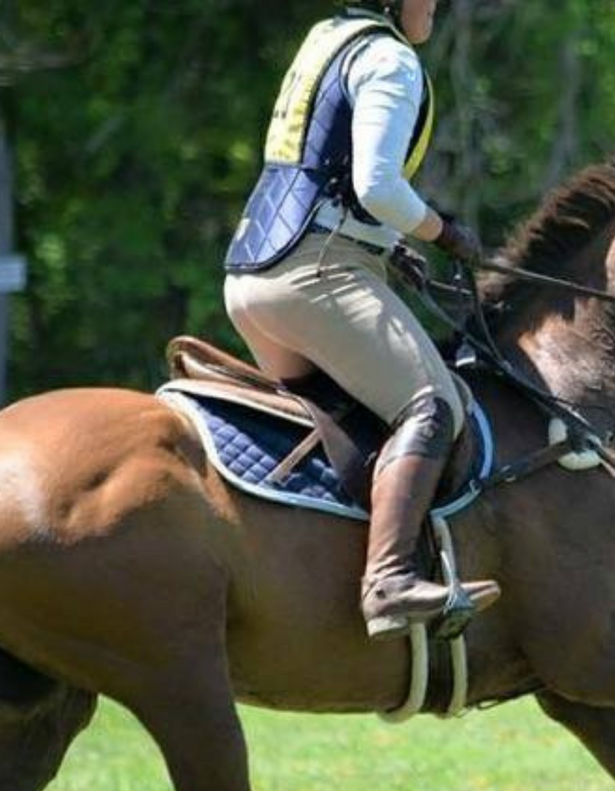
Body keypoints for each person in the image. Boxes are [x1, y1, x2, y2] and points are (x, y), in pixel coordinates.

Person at [220, 0, 497, 641]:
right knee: (432, 405)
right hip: (315, 273)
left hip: (252, 276)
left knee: (359, 419)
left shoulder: (327, 38)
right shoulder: (391, 58)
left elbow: (322, 168)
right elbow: (376, 186)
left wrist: (386, 245)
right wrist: (441, 231)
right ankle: (390, 581)